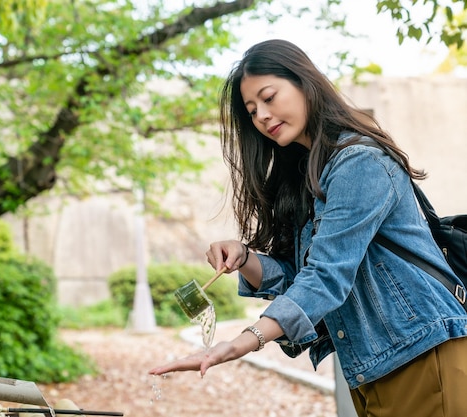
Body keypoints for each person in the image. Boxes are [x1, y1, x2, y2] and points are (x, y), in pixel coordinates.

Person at [149, 39, 467, 416]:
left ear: (304, 83)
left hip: (423, 353)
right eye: (252, 110)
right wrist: (246, 257)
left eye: (269, 97)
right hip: (375, 367)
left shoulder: (358, 163)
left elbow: (327, 277)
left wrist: (242, 342)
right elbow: (300, 279)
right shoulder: (305, 178)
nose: (262, 116)